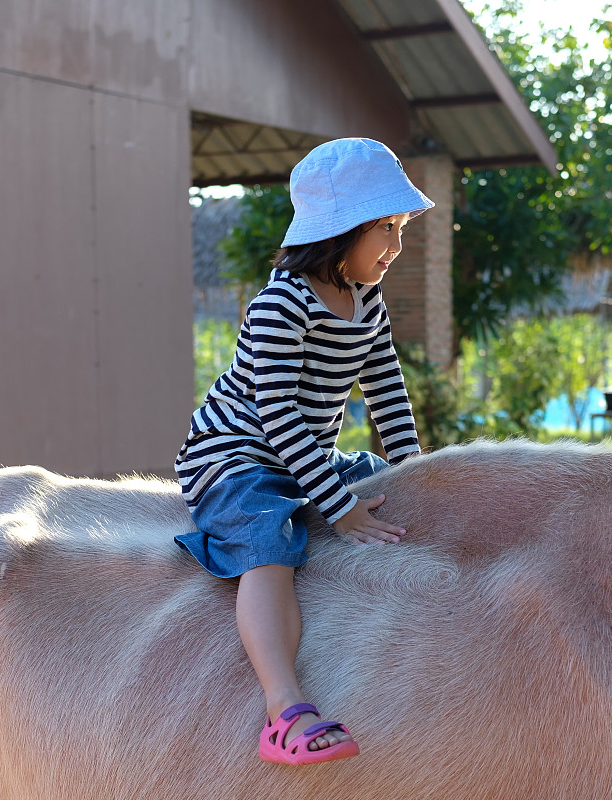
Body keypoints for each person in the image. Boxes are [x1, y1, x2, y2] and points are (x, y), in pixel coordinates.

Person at [174, 137, 433, 765]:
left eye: (400, 229)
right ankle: (284, 710)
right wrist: (339, 510)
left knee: (380, 482)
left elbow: (387, 393)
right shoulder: (280, 305)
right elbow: (277, 415)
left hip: (298, 454)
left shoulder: (366, 302)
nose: (396, 247)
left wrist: (419, 473)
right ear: (340, 232)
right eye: (386, 230)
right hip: (234, 454)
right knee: (269, 544)